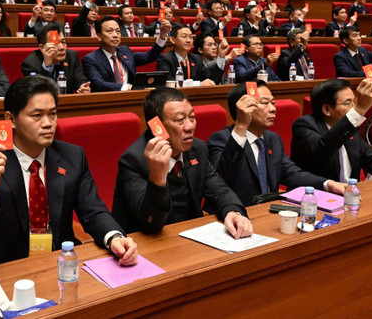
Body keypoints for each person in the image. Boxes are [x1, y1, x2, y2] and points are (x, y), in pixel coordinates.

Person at [0, 76, 138, 269]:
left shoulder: (73, 156)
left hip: (57, 264)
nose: (48, 123)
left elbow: (93, 211)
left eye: (53, 114)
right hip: (3, 269)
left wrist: (114, 237)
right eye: (37, 115)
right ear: (11, 119)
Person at [111, 88, 253, 237]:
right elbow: (150, 223)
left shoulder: (197, 149)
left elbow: (219, 189)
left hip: (191, 236)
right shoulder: (133, 160)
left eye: (192, 117)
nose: (190, 126)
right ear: (157, 127)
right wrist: (157, 179)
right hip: (147, 242)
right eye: (180, 120)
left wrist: (233, 211)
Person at [208, 81, 346, 206]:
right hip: (234, 214)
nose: (273, 108)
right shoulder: (222, 139)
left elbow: (291, 173)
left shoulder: (272, 139)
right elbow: (221, 181)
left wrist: (328, 184)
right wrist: (241, 126)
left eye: (273, 103)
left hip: (267, 212)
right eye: (265, 103)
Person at [82, 16, 169, 92]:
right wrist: (127, 87)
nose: (115, 35)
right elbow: (99, 84)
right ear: (99, 36)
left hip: (130, 97)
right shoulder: (91, 59)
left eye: (118, 31)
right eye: (110, 31)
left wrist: (162, 36)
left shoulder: (125, 51)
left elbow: (149, 56)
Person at [20, 23, 91, 94]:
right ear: (42, 48)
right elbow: (38, 92)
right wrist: (47, 67)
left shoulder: (72, 56)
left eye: (63, 42)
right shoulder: (30, 64)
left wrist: (83, 87)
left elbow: (80, 79)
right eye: (55, 44)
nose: (61, 47)